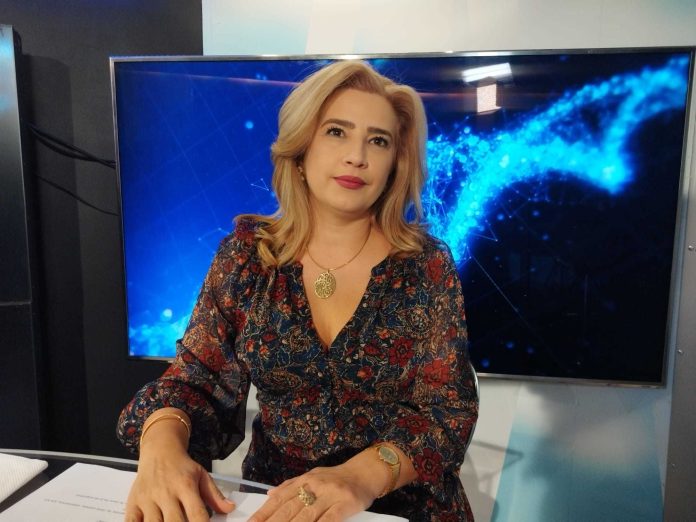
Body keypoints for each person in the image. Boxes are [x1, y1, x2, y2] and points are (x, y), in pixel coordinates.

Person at [117, 59, 478, 522]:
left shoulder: (425, 265)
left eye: (378, 140)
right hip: (279, 506)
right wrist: (161, 448)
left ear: (395, 163)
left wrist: (358, 478)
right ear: (301, 147)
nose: (357, 156)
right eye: (336, 132)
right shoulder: (247, 256)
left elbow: (448, 413)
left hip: (402, 509)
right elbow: (197, 381)